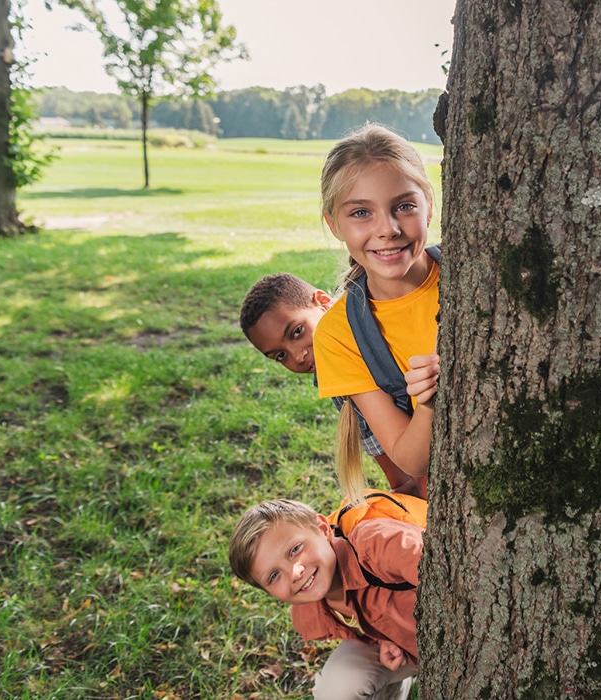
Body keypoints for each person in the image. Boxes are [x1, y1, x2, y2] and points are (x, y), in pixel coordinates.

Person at [312, 125, 441, 497]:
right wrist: (427, 403)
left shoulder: (469, 273)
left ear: (428, 207)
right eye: (361, 213)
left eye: (404, 206)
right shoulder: (340, 334)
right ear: (334, 225)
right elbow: (411, 462)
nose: (388, 229)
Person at [239, 273, 420, 497]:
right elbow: (395, 471)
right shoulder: (336, 382)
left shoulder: (373, 316)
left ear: (323, 302)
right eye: (280, 356)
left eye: (297, 332)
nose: (297, 357)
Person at [228, 499, 421, 700]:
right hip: (408, 651)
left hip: (451, 638)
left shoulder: (378, 544)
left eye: (295, 550)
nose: (294, 572)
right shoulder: (308, 612)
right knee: (335, 690)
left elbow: (447, 577)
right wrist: (381, 640)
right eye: (274, 576)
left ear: (322, 528)